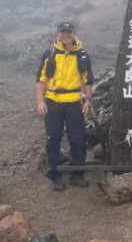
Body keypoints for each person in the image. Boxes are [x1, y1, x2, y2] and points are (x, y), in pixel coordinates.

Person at [36, 21, 94, 191]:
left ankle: (77, 174)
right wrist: (40, 101)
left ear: (74, 33)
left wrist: (88, 99)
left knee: (78, 138)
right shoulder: (49, 54)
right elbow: (41, 80)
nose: (66, 35)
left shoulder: (82, 55)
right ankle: (55, 175)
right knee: (52, 139)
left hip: (74, 102)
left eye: (69, 32)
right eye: (63, 32)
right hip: (53, 102)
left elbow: (88, 79)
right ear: (57, 34)